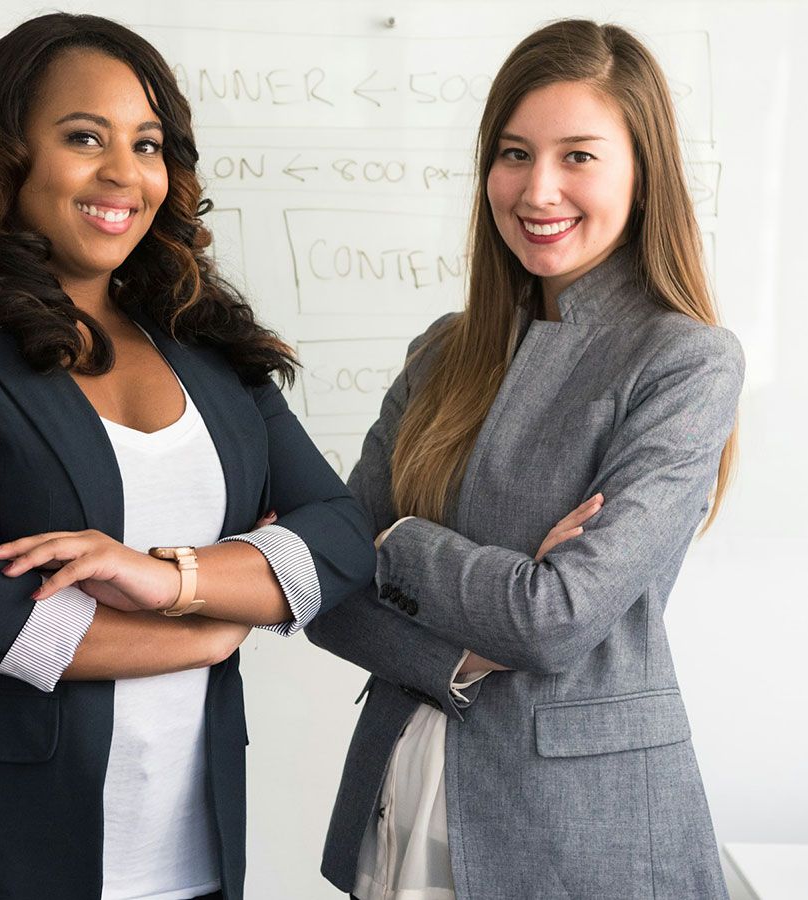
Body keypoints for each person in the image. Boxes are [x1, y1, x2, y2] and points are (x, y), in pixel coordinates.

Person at [0, 14, 374, 900]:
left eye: (148, 144)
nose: (125, 173)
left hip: (187, 863)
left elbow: (342, 539)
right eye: (85, 137)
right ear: (8, 155)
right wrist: (204, 637)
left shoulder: (211, 354)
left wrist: (171, 581)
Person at [306, 18, 743, 900]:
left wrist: (395, 540)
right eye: (514, 153)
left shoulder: (686, 361)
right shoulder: (442, 352)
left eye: (578, 155)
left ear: (641, 169)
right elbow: (323, 589)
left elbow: (555, 618)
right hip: (404, 781)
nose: (539, 188)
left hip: (582, 822)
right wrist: (459, 656)